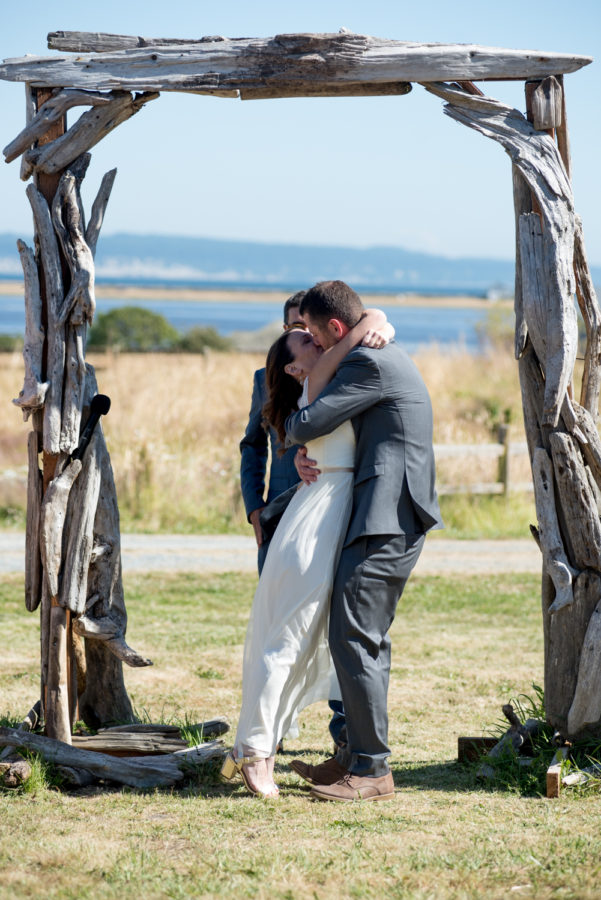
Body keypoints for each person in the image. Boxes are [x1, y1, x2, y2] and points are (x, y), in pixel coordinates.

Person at [221, 308, 394, 798]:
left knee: (315, 640)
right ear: (297, 370)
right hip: (315, 526)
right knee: (287, 640)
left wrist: (380, 320)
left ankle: (325, 749)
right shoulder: (317, 382)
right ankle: (254, 751)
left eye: (317, 338)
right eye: (309, 346)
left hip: (327, 518)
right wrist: (376, 321)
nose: (320, 347)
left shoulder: (321, 384)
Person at [286, 280, 442, 802]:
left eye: (309, 331)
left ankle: (372, 771)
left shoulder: (367, 363)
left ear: (335, 328)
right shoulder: (373, 351)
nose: (305, 340)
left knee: (354, 637)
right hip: (386, 513)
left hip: (386, 517)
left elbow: (305, 423)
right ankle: (354, 756)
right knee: (361, 636)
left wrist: (299, 438)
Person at [240, 292, 306, 574]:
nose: (307, 335)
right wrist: (255, 507)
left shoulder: (340, 378)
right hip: (278, 509)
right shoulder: (263, 378)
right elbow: (253, 443)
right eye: (298, 327)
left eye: (312, 328)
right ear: (284, 331)